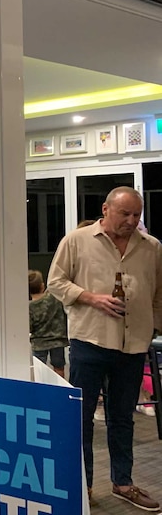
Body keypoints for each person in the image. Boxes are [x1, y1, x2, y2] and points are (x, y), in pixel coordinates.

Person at [48, 186, 162, 510]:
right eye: (125, 213)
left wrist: (152, 324)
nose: (131, 220)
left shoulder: (152, 247)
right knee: (81, 418)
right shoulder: (77, 241)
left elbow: (158, 293)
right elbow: (56, 281)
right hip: (91, 341)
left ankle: (123, 483)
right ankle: (81, 486)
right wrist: (91, 297)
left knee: (122, 417)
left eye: (137, 214)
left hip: (134, 342)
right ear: (106, 209)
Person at [28, 270, 68, 378]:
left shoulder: (29, 307)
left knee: (39, 369)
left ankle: (41, 391)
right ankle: (60, 389)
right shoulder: (54, 298)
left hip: (39, 343)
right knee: (59, 367)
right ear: (42, 286)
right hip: (57, 341)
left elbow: (29, 327)